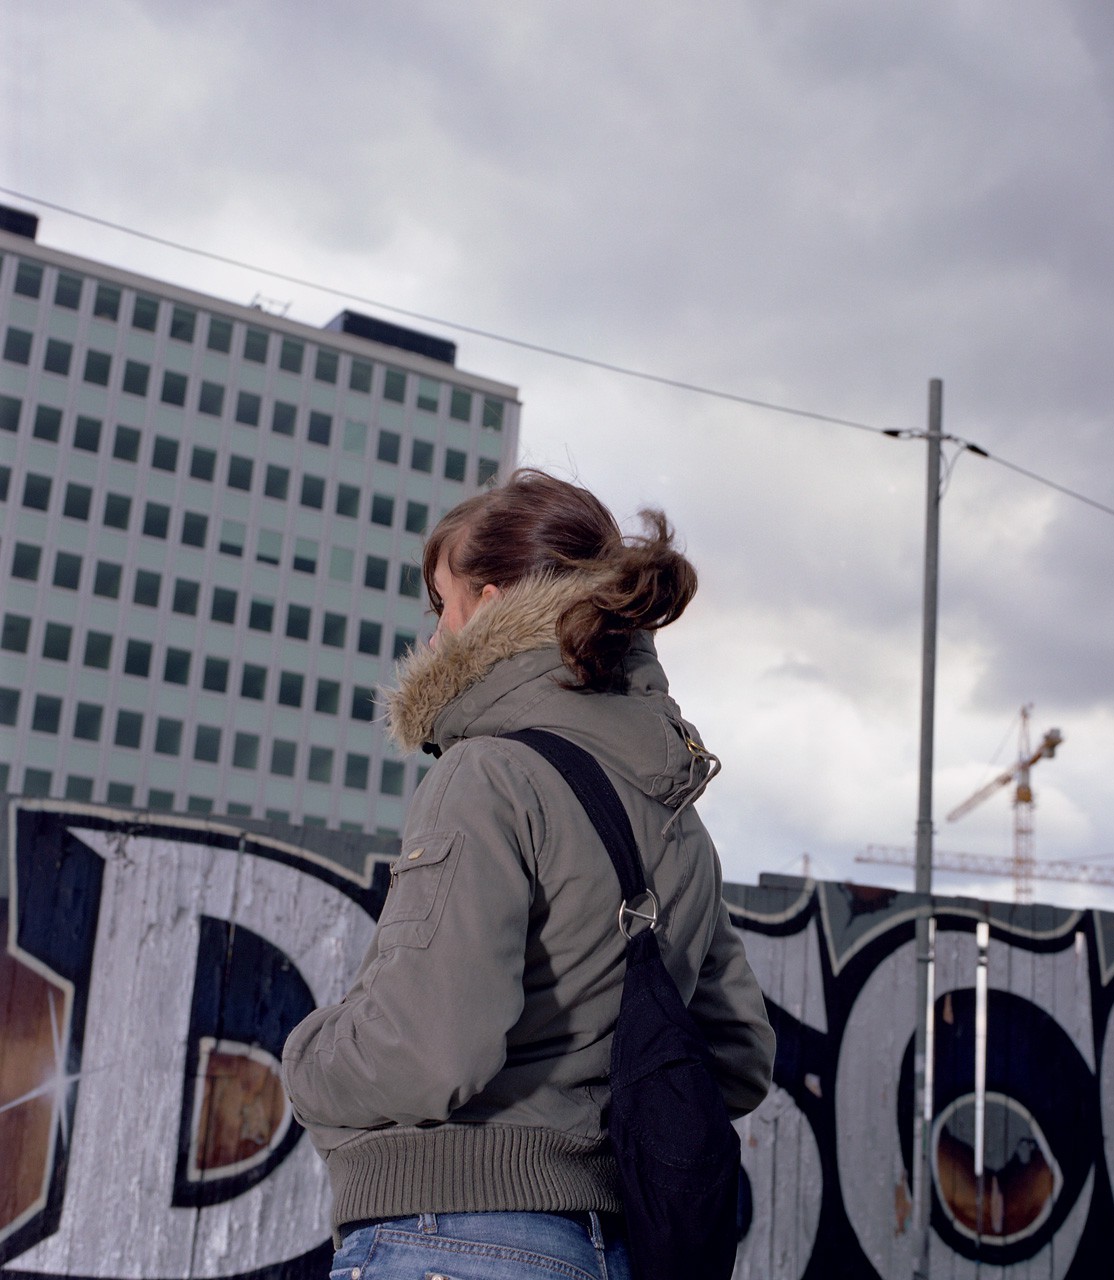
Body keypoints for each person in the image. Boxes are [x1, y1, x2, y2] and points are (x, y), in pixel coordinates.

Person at [282, 468, 775, 1280]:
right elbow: (736, 1055)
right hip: (600, 1250)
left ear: (490, 598)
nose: (435, 638)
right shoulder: (673, 807)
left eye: (440, 606)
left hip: (446, 1239)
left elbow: (425, 1052)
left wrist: (304, 1058)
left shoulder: (487, 774)